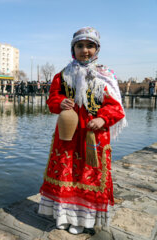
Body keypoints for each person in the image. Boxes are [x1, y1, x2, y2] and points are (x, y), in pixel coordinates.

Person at [38, 27, 127, 234]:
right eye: (80, 46)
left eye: (89, 46)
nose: (84, 50)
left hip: (92, 135)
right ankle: (62, 214)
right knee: (65, 172)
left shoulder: (104, 76)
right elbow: (51, 100)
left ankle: (82, 220)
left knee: (88, 175)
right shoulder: (62, 75)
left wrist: (102, 118)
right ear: (73, 48)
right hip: (67, 135)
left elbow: (116, 108)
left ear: (97, 49)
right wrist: (60, 102)